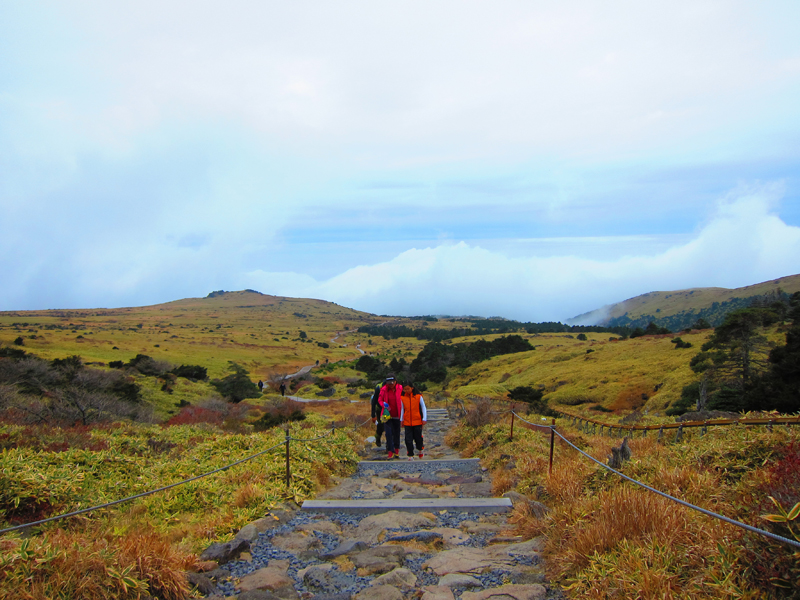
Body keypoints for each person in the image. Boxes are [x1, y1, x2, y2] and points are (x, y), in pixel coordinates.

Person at [378, 374, 403, 459]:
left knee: (397, 433)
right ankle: (390, 451)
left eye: (392, 382)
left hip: (398, 414)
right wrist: (383, 405)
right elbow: (379, 399)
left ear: (395, 381)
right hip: (387, 415)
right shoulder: (384, 389)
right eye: (389, 382)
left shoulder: (400, 388)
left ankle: (396, 450)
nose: (391, 384)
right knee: (388, 433)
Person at [401, 383, 426, 459]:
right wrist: (401, 419)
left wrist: (424, 418)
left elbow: (423, 407)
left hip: (417, 421)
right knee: (408, 439)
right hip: (407, 421)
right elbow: (402, 409)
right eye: (405, 389)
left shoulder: (418, 396)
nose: (406, 390)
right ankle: (410, 454)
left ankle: (420, 449)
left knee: (418, 437)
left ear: (412, 388)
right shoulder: (402, 397)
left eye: (408, 389)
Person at [370, 382, 384, 447]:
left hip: (390, 410)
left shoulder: (395, 387)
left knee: (390, 427)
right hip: (379, 410)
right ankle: (378, 437)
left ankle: (389, 446)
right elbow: (374, 402)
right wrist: (373, 415)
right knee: (380, 426)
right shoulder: (379, 387)